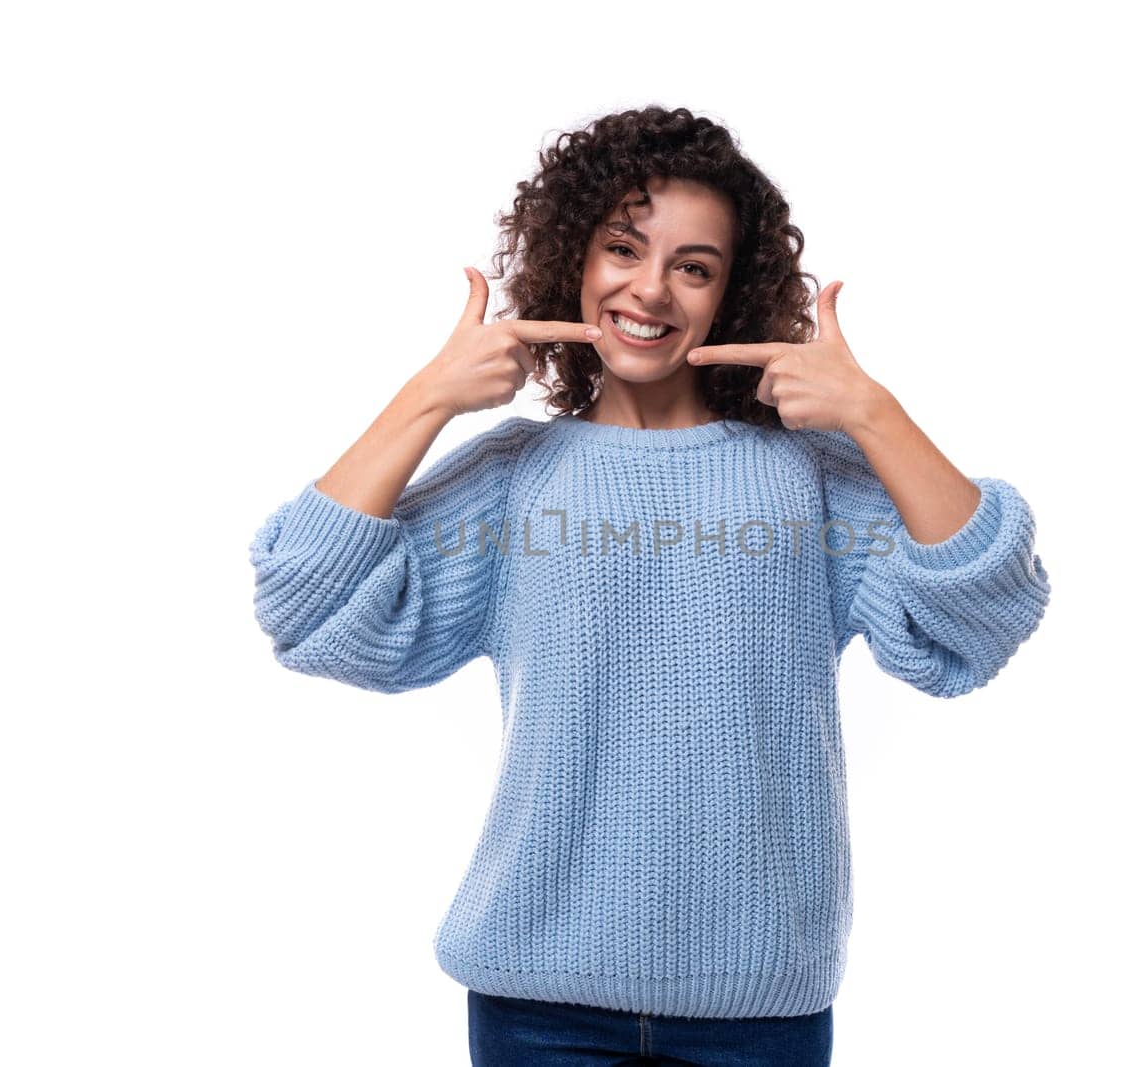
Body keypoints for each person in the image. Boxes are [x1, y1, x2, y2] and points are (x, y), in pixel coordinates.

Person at [249, 105, 1052, 1067]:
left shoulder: (808, 476)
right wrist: (428, 395)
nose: (651, 289)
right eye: (623, 248)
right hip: (535, 1003)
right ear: (573, 263)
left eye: (695, 266)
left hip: (759, 1007)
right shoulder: (515, 477)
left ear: (729, 295)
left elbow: (988, 614)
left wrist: (875, 415)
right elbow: (302, 605)